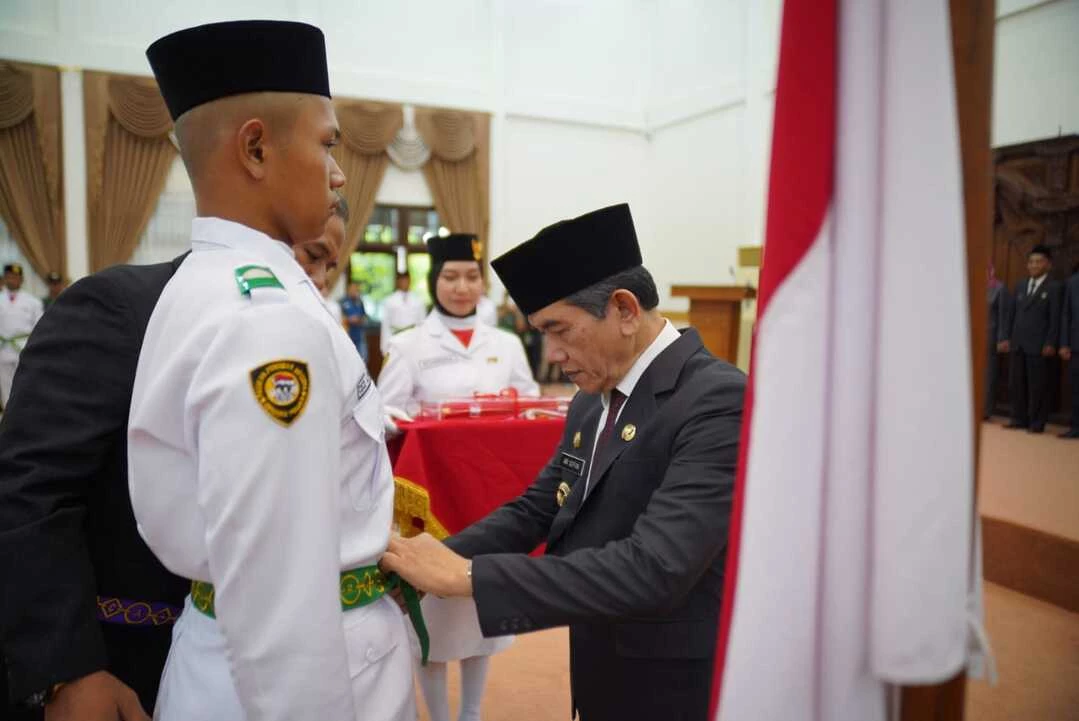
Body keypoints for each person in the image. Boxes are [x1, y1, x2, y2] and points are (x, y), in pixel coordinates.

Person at [129, 20, 415, 720]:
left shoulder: (216, 283)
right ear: (255, 148)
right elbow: (279, 596)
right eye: (327, 144)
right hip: (302, 677)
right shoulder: (266, 320)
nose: (339, 173)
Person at [381, 203, 746, 721]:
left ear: (624, 310)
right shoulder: (593, 396)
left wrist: (469, 575)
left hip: (671, 682)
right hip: (600, 658)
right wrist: (432, 560)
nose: (550, 354)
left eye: (559, 330)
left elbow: (655, 568)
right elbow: (540, 507)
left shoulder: (716, 399)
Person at [377, 233, 538, 721]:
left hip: (488, 500)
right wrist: (413, 425)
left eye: (471, 277)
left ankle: (470, 714)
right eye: (450, 277)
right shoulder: (408, 345)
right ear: (434, 281)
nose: (462, 287)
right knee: (434, 620)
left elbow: (528, 403)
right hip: (431, 506)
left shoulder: (506, 344)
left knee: (478, 616)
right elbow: (383, 411)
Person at [999, 244, 1062, 433]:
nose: (1034, 265)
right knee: (1016, 383)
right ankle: (1018, 418)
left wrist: (1050, 342)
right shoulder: (1020, 285)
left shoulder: (1054, 287)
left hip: (1039, 345)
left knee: (1037, 386)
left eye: (1038, 262)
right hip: (1018, 343)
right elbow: (1011, 314)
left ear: (1048, 265)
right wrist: (1006, 337)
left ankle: (1036, 422)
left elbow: (1055, 318)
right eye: (1031, 262)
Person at [0, 263, 44, 408]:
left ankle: (25, 412)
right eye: (9, 277)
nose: (12, 280)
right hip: (3, 349)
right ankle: (8, 414)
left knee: (25, 381)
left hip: (24, 347)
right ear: (4, 278)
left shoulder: (33, 301)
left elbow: (40, 326)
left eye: (16, 277)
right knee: (5, 384)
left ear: (22, 279)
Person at [985, 263, 1011, 419]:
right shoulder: (973, 286)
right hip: (973, 337)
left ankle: (985, 410)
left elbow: (1003, 316)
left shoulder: (1000, 288)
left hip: (990, 338)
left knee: (989, 375)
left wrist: (1002, 339)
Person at [380, 270, 427, 352]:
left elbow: (423, 323)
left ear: (410, 281)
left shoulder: (419, 301)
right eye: (402, 280)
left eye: (406, 280)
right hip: (395, 339)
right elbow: (386, 325)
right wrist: (385, 346)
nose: (404, 283)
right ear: (397, 282)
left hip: (414, 339)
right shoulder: (389, 301)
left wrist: (423, 342)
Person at [1059, 262, 1079, 439]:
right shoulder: (1072, 282)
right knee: (1075, 388)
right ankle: (1075, 427)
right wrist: (1064, 343)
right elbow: (1066, 315)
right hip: (1076, 345)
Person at [341, 281, 370, 363]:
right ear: (348, 290)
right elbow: (339, 318)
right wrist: (349, 319)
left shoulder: (360, 302)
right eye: (352, 289)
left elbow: (365, 317)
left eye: (356, 289)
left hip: (360, 336)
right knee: (348, 361)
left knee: (363, 360)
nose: (354, 291)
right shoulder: (342, 302)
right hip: (347, 336)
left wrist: (360, 319)